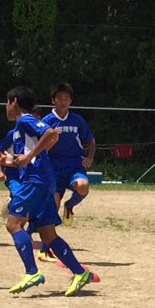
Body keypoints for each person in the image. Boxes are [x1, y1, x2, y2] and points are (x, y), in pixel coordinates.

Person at [0, 86, 95, 296]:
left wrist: (29, 156)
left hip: (36, 181)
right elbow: (42, 148)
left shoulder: (25, 120)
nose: (6, 107)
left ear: (14, 102)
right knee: (47, 234)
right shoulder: (20, 128)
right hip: (44, 180)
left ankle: (32, 272)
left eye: (7, 102)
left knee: (13, 224)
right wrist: (14, 161)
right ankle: (80, 273)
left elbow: (50, 133)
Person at [42, 83, 96, 223]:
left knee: (83, 186)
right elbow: (40, 147)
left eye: (66, 99)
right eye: (60, 98)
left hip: (74, 166)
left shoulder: (77, 120)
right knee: (53, 207)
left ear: (71, 101)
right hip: (54, 168)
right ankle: (46, 234)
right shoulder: (47, 121)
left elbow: (91, 140)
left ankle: (69, 205)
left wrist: (90, 157)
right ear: (53, 100)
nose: (63, 102)